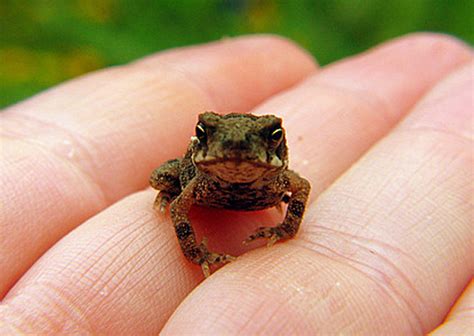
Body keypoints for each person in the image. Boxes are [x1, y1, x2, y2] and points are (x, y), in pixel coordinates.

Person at [0, 33, 472, 334]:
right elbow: (182, 209)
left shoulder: (280, 180)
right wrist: (198, 252)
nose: (240, 151)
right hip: (198, 174)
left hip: (247, 192)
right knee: (159, 177)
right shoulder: (199, 182)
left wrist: (288, 229)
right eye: (215, 137)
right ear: (204, 140)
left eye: (265, 141)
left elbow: (300, 190)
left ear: (277, 145)